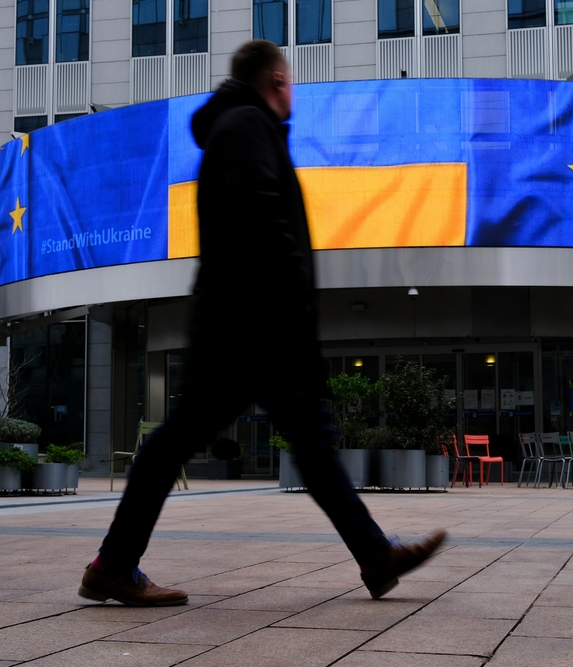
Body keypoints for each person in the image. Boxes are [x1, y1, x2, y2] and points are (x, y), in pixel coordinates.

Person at [78, 40, 445, 606]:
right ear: (276, 79)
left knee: (308, 442)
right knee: (189, 439)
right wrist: (295, 297)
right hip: (250, 323)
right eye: (290, 82)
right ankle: (112, 565)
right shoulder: (247, 125)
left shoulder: (239, 127)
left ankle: (375, 556)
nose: (292, 91)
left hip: (246, 318)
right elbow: (263, 218)